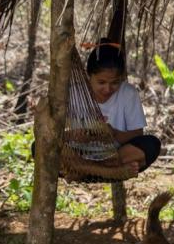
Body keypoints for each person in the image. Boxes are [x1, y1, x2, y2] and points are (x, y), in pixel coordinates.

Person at [59, 39, 161, 180]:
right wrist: (72, 135)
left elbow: (137, 133)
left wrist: (113, 133)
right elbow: (54, 135)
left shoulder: (128, 93)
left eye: (114, 83)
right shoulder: (71, 93)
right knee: (39, 147)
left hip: (114, 155)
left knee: (151, 144)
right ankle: (105, 171)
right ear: (89, 76)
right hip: (78, 154)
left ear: (121, 78)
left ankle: (83, 169)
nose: (108, 89)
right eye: (101, 82)